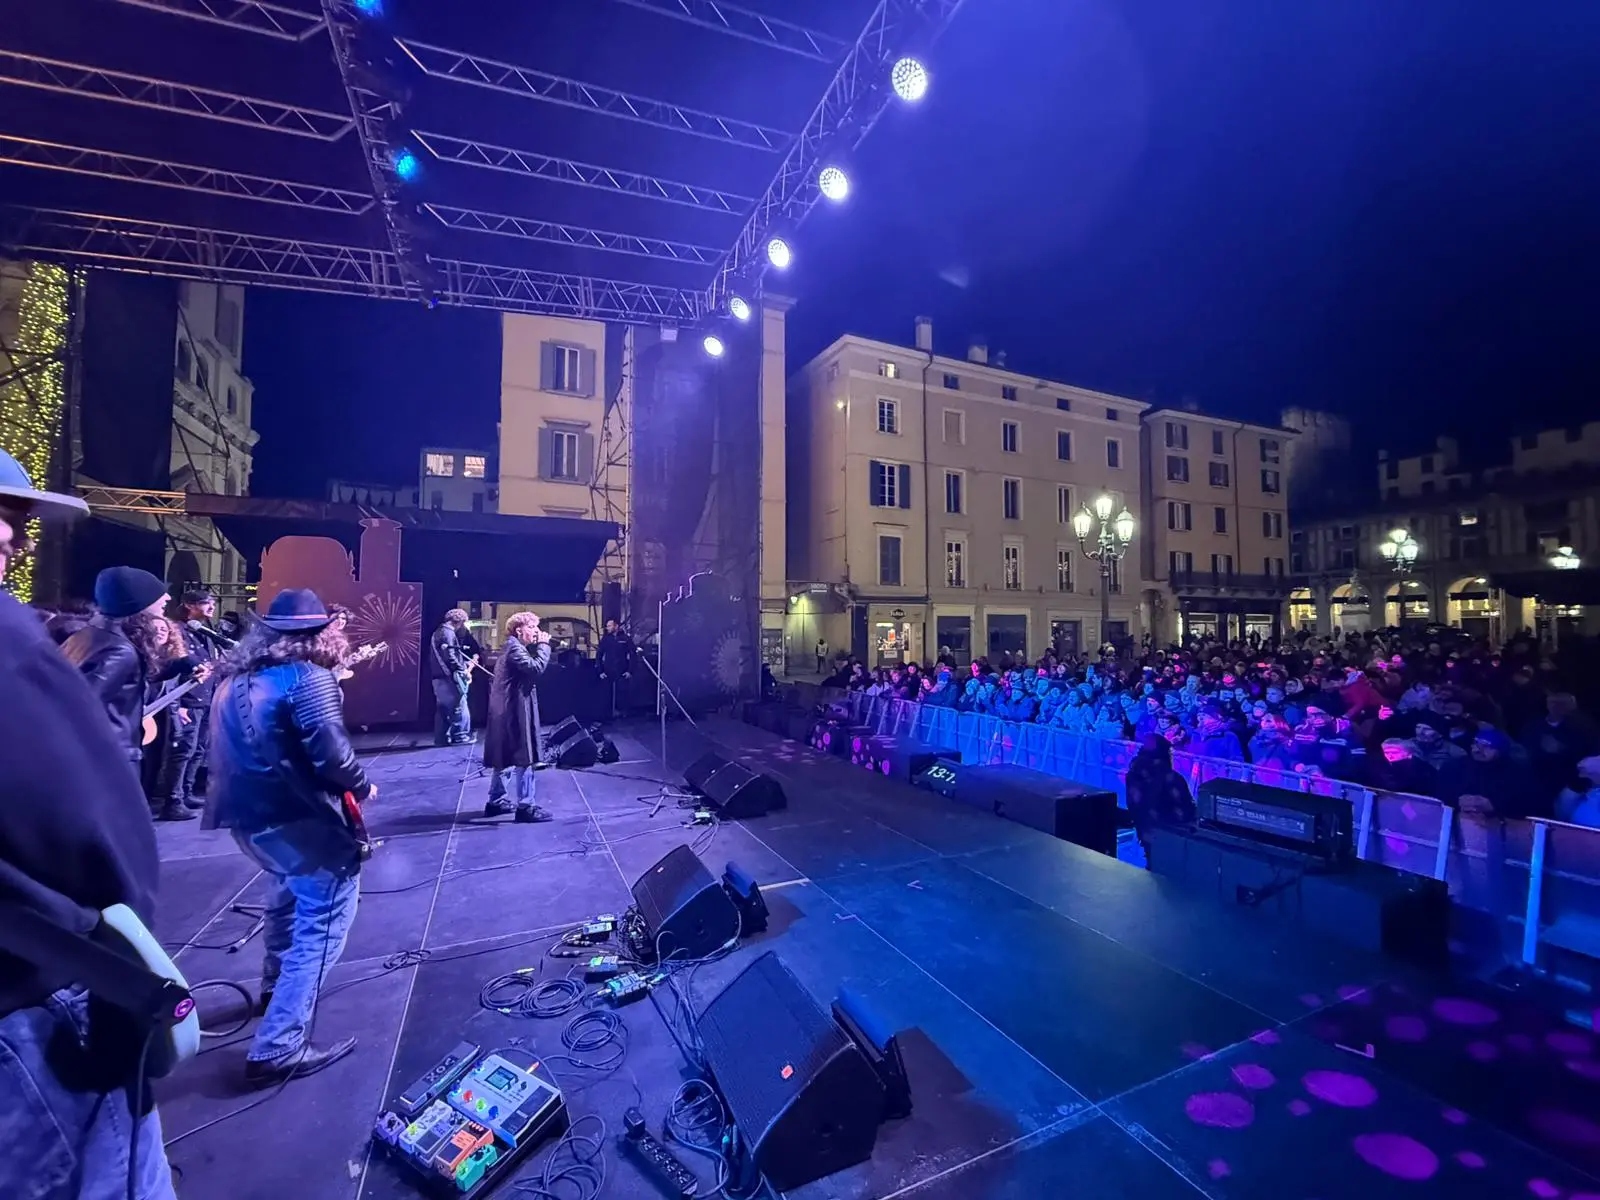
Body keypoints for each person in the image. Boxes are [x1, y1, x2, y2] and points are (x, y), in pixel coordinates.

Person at [0, 449, 179, 1198]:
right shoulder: (29, 652)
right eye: (6, 518)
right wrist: (130, 949)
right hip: (36, 996)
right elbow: (85, 808)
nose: (14, 538)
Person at [205, 588, 371, 1086]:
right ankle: (279, 1045)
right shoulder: (310, 678)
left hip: (246, 818)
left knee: (284, 900)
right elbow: (332, 758)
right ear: (321, 632)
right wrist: (364, 784)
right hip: (300, 819)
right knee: (324, 923)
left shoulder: (234, 678)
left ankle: (274, 990)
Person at [61, 566, 209, 820]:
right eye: (158, 594)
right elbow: (76, 709)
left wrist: (181, 665)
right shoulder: (119, 650)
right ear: (137, 600)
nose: (167, 600)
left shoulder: (92, 635)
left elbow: (126, 682)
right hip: (109, 760)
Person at [152, 588, 229, 817]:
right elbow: (176, 664)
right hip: (188, 697)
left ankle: (186, 791)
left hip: (206, 695)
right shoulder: (178, 631)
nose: (212, 608)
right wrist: (179, 703)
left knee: (199, 748)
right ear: (189, 605)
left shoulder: (205, 631)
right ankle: (172, 800)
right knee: (184, 749)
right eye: (207, 603)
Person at [483, 611, 554, 822]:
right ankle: (526, 806)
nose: (536, 632)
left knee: (504, 756)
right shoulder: (515, 649)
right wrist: (544, 646)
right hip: (514, 711)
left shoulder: (512, 647)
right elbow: (536, 667)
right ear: (519, 629)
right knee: (525, 756)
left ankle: (495, 801)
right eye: (532, 627)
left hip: (506, 711)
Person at [428, 608, 475, 747]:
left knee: (443, 708)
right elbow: (450, 656)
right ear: (459, 622)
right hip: (447, 677)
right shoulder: (447, 633)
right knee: (459, 706)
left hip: (438, 676)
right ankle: (460, 736)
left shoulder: (438, 632)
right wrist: (462, 670)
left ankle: (440, 738)